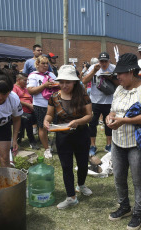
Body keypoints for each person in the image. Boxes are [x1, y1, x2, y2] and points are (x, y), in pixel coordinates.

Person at [106, 53, 141, 230]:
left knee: (138, 180)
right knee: (119, 177)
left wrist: (124, 121)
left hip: (138, 144)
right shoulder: (119, 89)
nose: (117, 77)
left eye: (120, 73)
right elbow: (113, 110)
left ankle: (138, 212)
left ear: (131, 72)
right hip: (118, 141)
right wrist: (109, 117)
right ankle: (124, 207)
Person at [43, 65, 93, 209]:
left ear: (74, 82)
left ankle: (81, 185)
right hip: (63, 136)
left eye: (68, 82)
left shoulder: (83, 95)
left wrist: (78, 122)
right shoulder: (54, 97)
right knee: (66, 166)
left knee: (83, 164)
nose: (64, 85)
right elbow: (49, 114)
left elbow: (89, 116)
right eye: (62, 82)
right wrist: (46, 120)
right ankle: (71, 196)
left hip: (82, 133)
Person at [81, 52, 117, 156]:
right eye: (102, 61)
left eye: (106, 61)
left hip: (109, 100)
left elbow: (119, 83)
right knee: (92, 123)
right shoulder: (93, 67)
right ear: (98, 61)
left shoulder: (113, 68)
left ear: (109, 61)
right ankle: (92, 146)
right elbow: (84, 81)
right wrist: (94, 71)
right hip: (95, 101)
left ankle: (109, 145)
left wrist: (111, 78)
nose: (104, 63)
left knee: (109, 123)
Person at [27, 56, 57, 158]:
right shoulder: (33, 76)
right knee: (42, 126)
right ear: (37, 64)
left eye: (46, 63)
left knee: (58, 124)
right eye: (43, 63)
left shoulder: (51, 74)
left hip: (53, 103)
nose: (45, 65)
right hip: (40, 105)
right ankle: (47, 149)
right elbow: (31, 90)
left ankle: (56, 144)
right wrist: (44, 85)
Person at [13, 73, 39, 150]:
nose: (26, 82)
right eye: (24, 80)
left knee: (41, 115)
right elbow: (15, 100)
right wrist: (28, 105)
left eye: (27, 80)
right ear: (18, 80)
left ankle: (42, 137)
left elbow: (31, 99)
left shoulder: (26, 89)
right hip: (20, 111)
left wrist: (33, 105)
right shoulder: (14, 88)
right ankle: (32, 141)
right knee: (28, 118)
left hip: (30, 109)